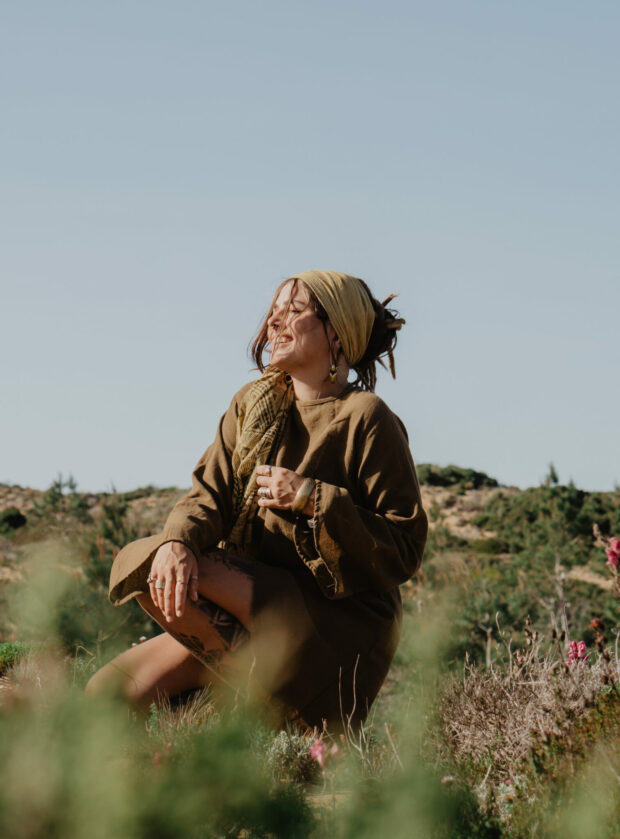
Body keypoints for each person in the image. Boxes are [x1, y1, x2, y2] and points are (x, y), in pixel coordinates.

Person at [86, 270, 428, 731]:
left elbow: (404, 545)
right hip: (252, 605)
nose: (274, 321)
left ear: (337, 332)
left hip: (337, 621)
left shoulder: (366, 417)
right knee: (109, 683)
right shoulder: (253, 404)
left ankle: (278, 707)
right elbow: (209, 493)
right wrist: (179, 542)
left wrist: (311, 497)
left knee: (190, 570)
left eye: (295, 309)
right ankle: (251, 691)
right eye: (274, 309)